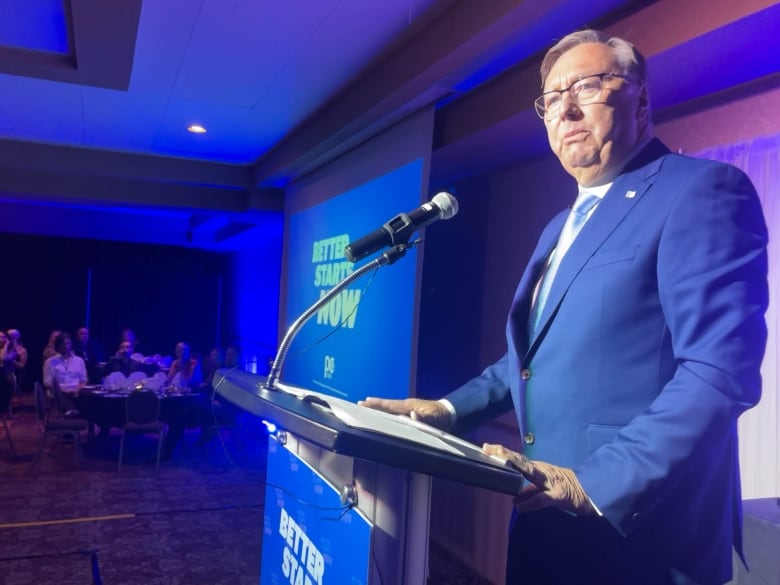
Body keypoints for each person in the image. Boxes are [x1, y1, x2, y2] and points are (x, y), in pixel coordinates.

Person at [361, 29, 768, 585]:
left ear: (640, 99)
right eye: (551, 98)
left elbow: (719, 373)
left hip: (641, 539)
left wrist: (590, 484)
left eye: (588, 85)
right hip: (542, 519)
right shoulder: (562, 224)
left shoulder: (702, 191)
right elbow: (527, 360)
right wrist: (446, 411)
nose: (566, 106)